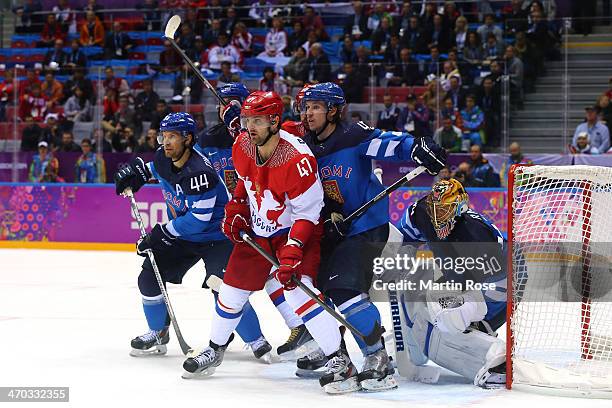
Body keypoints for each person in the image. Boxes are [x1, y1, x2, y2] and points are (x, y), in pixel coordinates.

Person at [185, 91, 353, 395]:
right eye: (248, 120)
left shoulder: (297, 159)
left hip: (296, 232)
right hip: (260, 231)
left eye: (257, 121)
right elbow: (244, 186)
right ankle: (215, 348)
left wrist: (292, 251)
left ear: (274, 121)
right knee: (231, 290)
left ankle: (340, 359)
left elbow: (308, 214)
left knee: (298, 295)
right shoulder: (243, 145)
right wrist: (236, 209)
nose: (249, 127)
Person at [292, 83, 446, 391]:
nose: (309, 113)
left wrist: (417, 147)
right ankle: (338, 354)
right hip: (329, 230)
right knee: (313, 292)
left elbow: (388, 143)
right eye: (306, 107)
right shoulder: (301, 146)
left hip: (364, 227)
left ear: (334, 110)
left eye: (316, 107)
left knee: (345, 289)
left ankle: (378, 359)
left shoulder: (352, 136)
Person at [113, 112, 274, 362]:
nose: (166, 142)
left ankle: (255, 339)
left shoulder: (200, 172)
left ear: (188, 139)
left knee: (224, 288)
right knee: (149, 277)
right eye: (164, 136)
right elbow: (153, 169)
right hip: (185, 236)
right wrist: (136, 174)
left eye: (173, 137)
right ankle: (158, 332)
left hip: (216, 237)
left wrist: (161, 234)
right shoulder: (163, 157)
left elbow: (198, 221)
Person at [196, 84, 315, 358]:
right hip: (233, 220)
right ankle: (237, 340)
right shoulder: (210, 139)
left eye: (235, 102)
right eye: (223, 102)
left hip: (270, 217)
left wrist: (241, 127)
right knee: (230, 285)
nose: (227, 107)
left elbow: (282, 141)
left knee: (275, 276)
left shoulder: (272, 132)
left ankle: (292, 331)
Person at [395, 178, 507, 389]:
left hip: (500, 284)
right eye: (434, 210)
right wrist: (400, 256)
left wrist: (465, 310)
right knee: (415, 290)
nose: (436, 218)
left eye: (444, 211)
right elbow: (403, 238)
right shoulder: (421, 211)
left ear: (460, 208)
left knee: (451, 321)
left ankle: (497, 363)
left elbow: (490, 289)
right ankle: (411, 349)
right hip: (460, 277)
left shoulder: (476, 235)